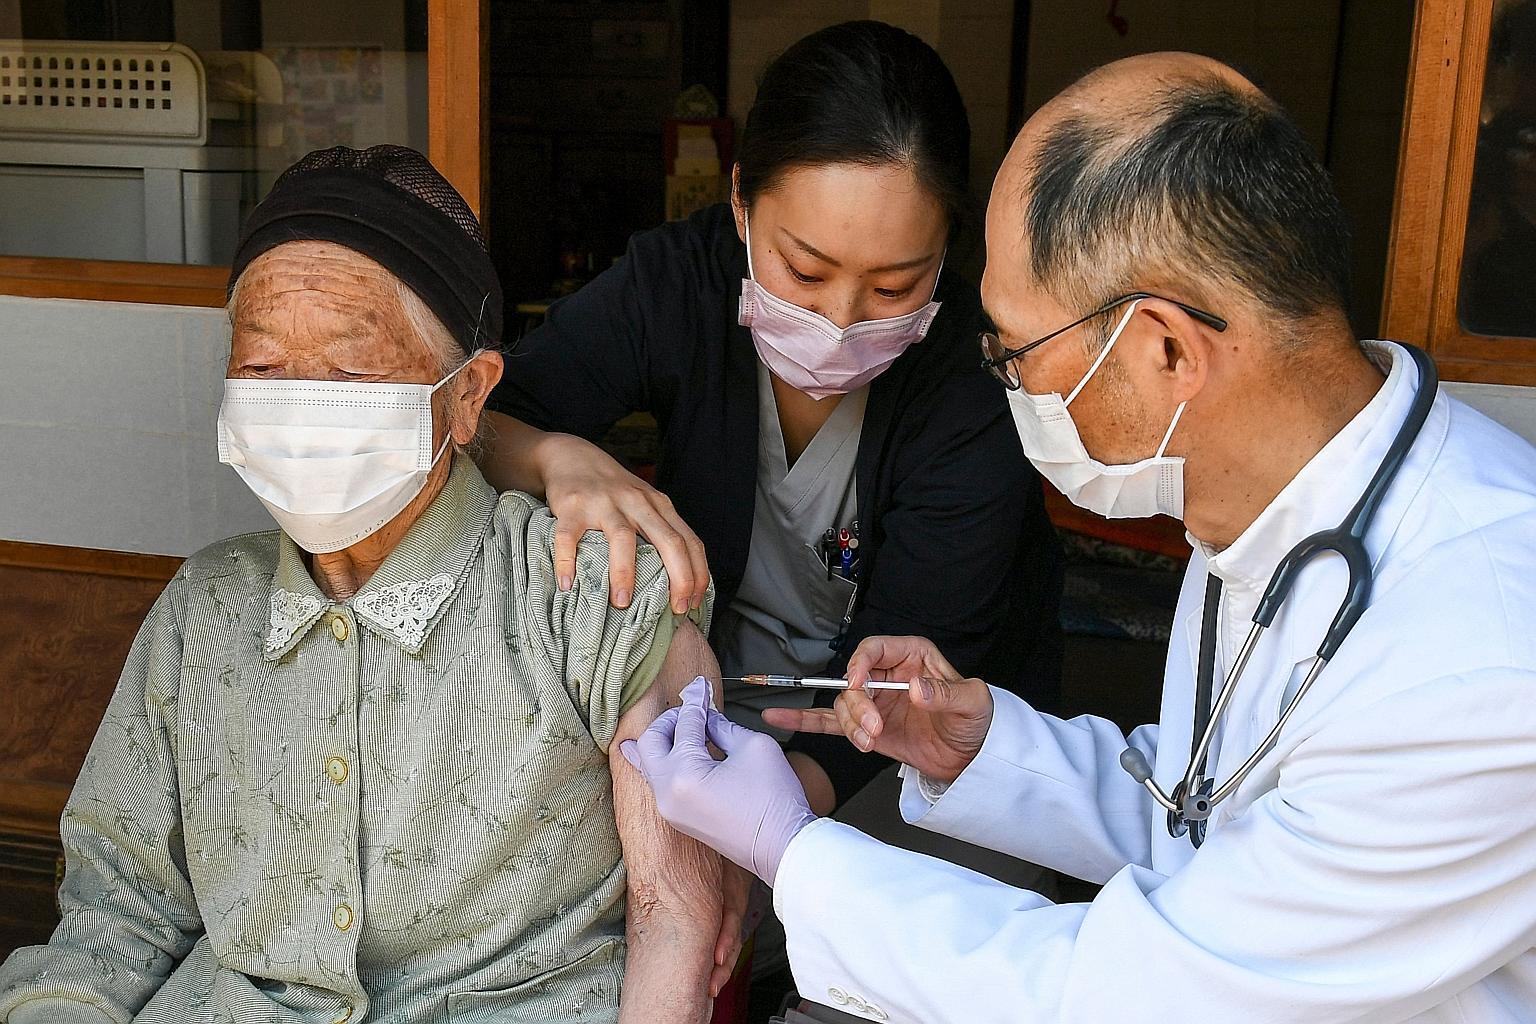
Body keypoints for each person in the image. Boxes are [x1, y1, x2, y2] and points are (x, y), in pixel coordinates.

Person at [623, 54, 1536, 1022]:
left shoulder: (1477, 666)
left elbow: (1138, 993)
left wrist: (791, 849)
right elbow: (1208, 813)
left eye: (1014, 353)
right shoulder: (1270, 511)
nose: (1003, 386)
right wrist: (982, 748)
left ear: (1166, 349)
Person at [0, 146, 736, 1024]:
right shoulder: (204, 609)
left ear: (468, 397)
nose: (300, 404)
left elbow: (676, 918)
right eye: (264, 369)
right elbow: (114, 915)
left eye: (349, 371)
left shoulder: (593, 596)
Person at [478, 20, 1063, 815]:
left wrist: (763, 838)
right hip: (703, 712)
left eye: (894, 287)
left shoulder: (976, 382)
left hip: (904, 766)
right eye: (804, 269)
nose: (841, 318)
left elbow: (909, 678)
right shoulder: (682, 284)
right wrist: (554, 458)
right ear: (740, 200)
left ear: (948, 248)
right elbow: (480, 418)